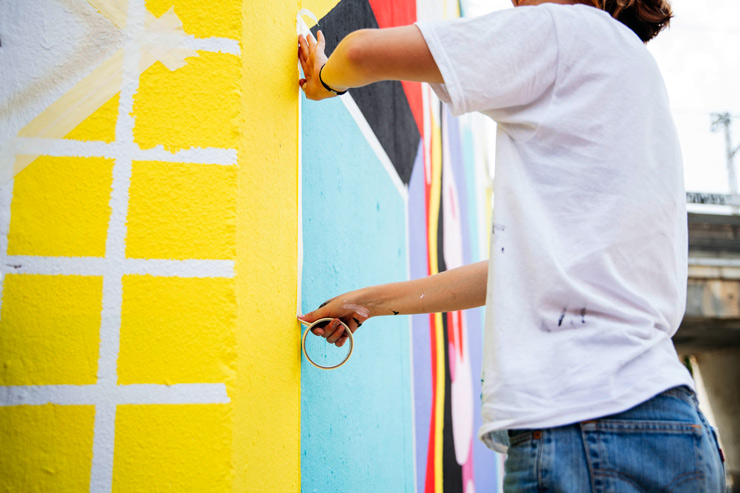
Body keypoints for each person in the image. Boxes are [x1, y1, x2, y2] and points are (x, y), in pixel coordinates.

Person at [297, 0, 726, 490]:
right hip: (677, 430)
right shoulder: (637, 79)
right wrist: (368, 303)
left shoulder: (564, 31)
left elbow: (361, 52)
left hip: (582, 428)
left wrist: (323, 81)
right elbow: (516, 271)